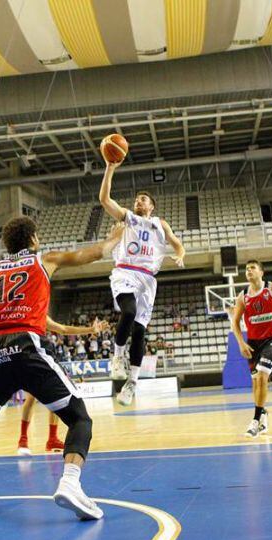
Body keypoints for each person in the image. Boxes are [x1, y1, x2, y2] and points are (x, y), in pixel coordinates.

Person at [0, 216, 121, 521]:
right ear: (34, 239)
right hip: (24, 343)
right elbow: (94, 253)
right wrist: (114, 237)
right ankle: (70, 484)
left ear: (8, 244)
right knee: (79, 417)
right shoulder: (44, 260)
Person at [99, 158, 186, 406]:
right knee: (128, 312)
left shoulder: (160, 224)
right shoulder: (127, 218)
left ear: (152, 207)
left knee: (139, 331)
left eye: (143, 199)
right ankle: (117, 359)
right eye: (137, 198)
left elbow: (176, 242)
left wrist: (180, 253)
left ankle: (132, 383)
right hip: (125, 272)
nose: (138, 201)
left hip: (148, 280)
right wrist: (110, 168)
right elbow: (105, 200)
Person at [18, 317, 109, 455]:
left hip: (43, 357)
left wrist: (91, 329)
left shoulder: (38, 312)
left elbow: (63, 329)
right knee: (31, 398)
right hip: (25, 357)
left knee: (56, 397)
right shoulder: (18, 314)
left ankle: (51, 439)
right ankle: (23, 439)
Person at [230, 260, 272, 438]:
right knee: (255, 382)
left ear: (261, 272)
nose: (248, 271)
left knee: (261, 376)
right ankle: (264, 415)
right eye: (246, 269)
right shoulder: (242, 296)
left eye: (252, 268)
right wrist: (241, 343)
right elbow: (234, 322)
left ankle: (255, 420)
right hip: (253, 342)